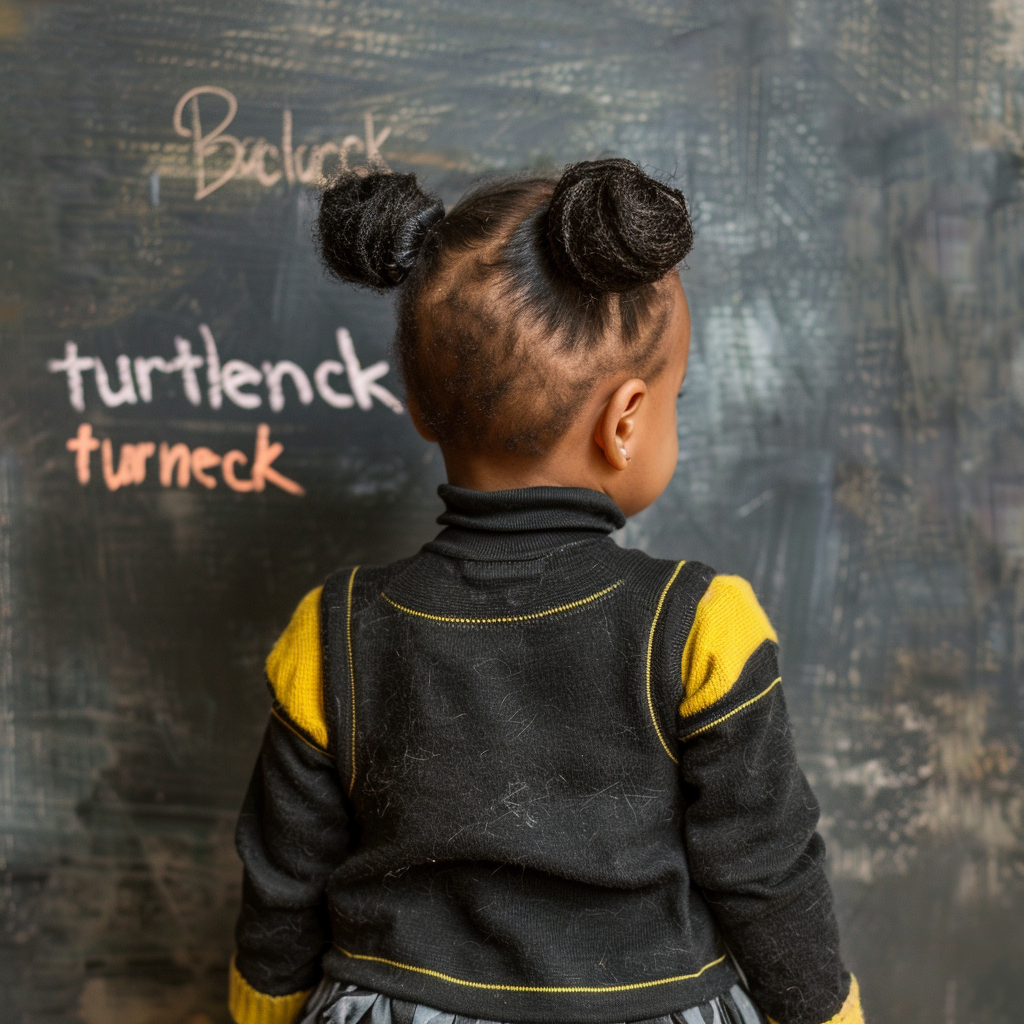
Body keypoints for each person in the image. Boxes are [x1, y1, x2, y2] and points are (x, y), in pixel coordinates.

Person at [228, 159, 865, 1024]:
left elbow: (282, 878)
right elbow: (768, 874)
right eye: (679, 396)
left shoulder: (329, 632)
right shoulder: (702, 630)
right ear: (627, 421)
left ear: (417, 403)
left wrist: (265, 1013)